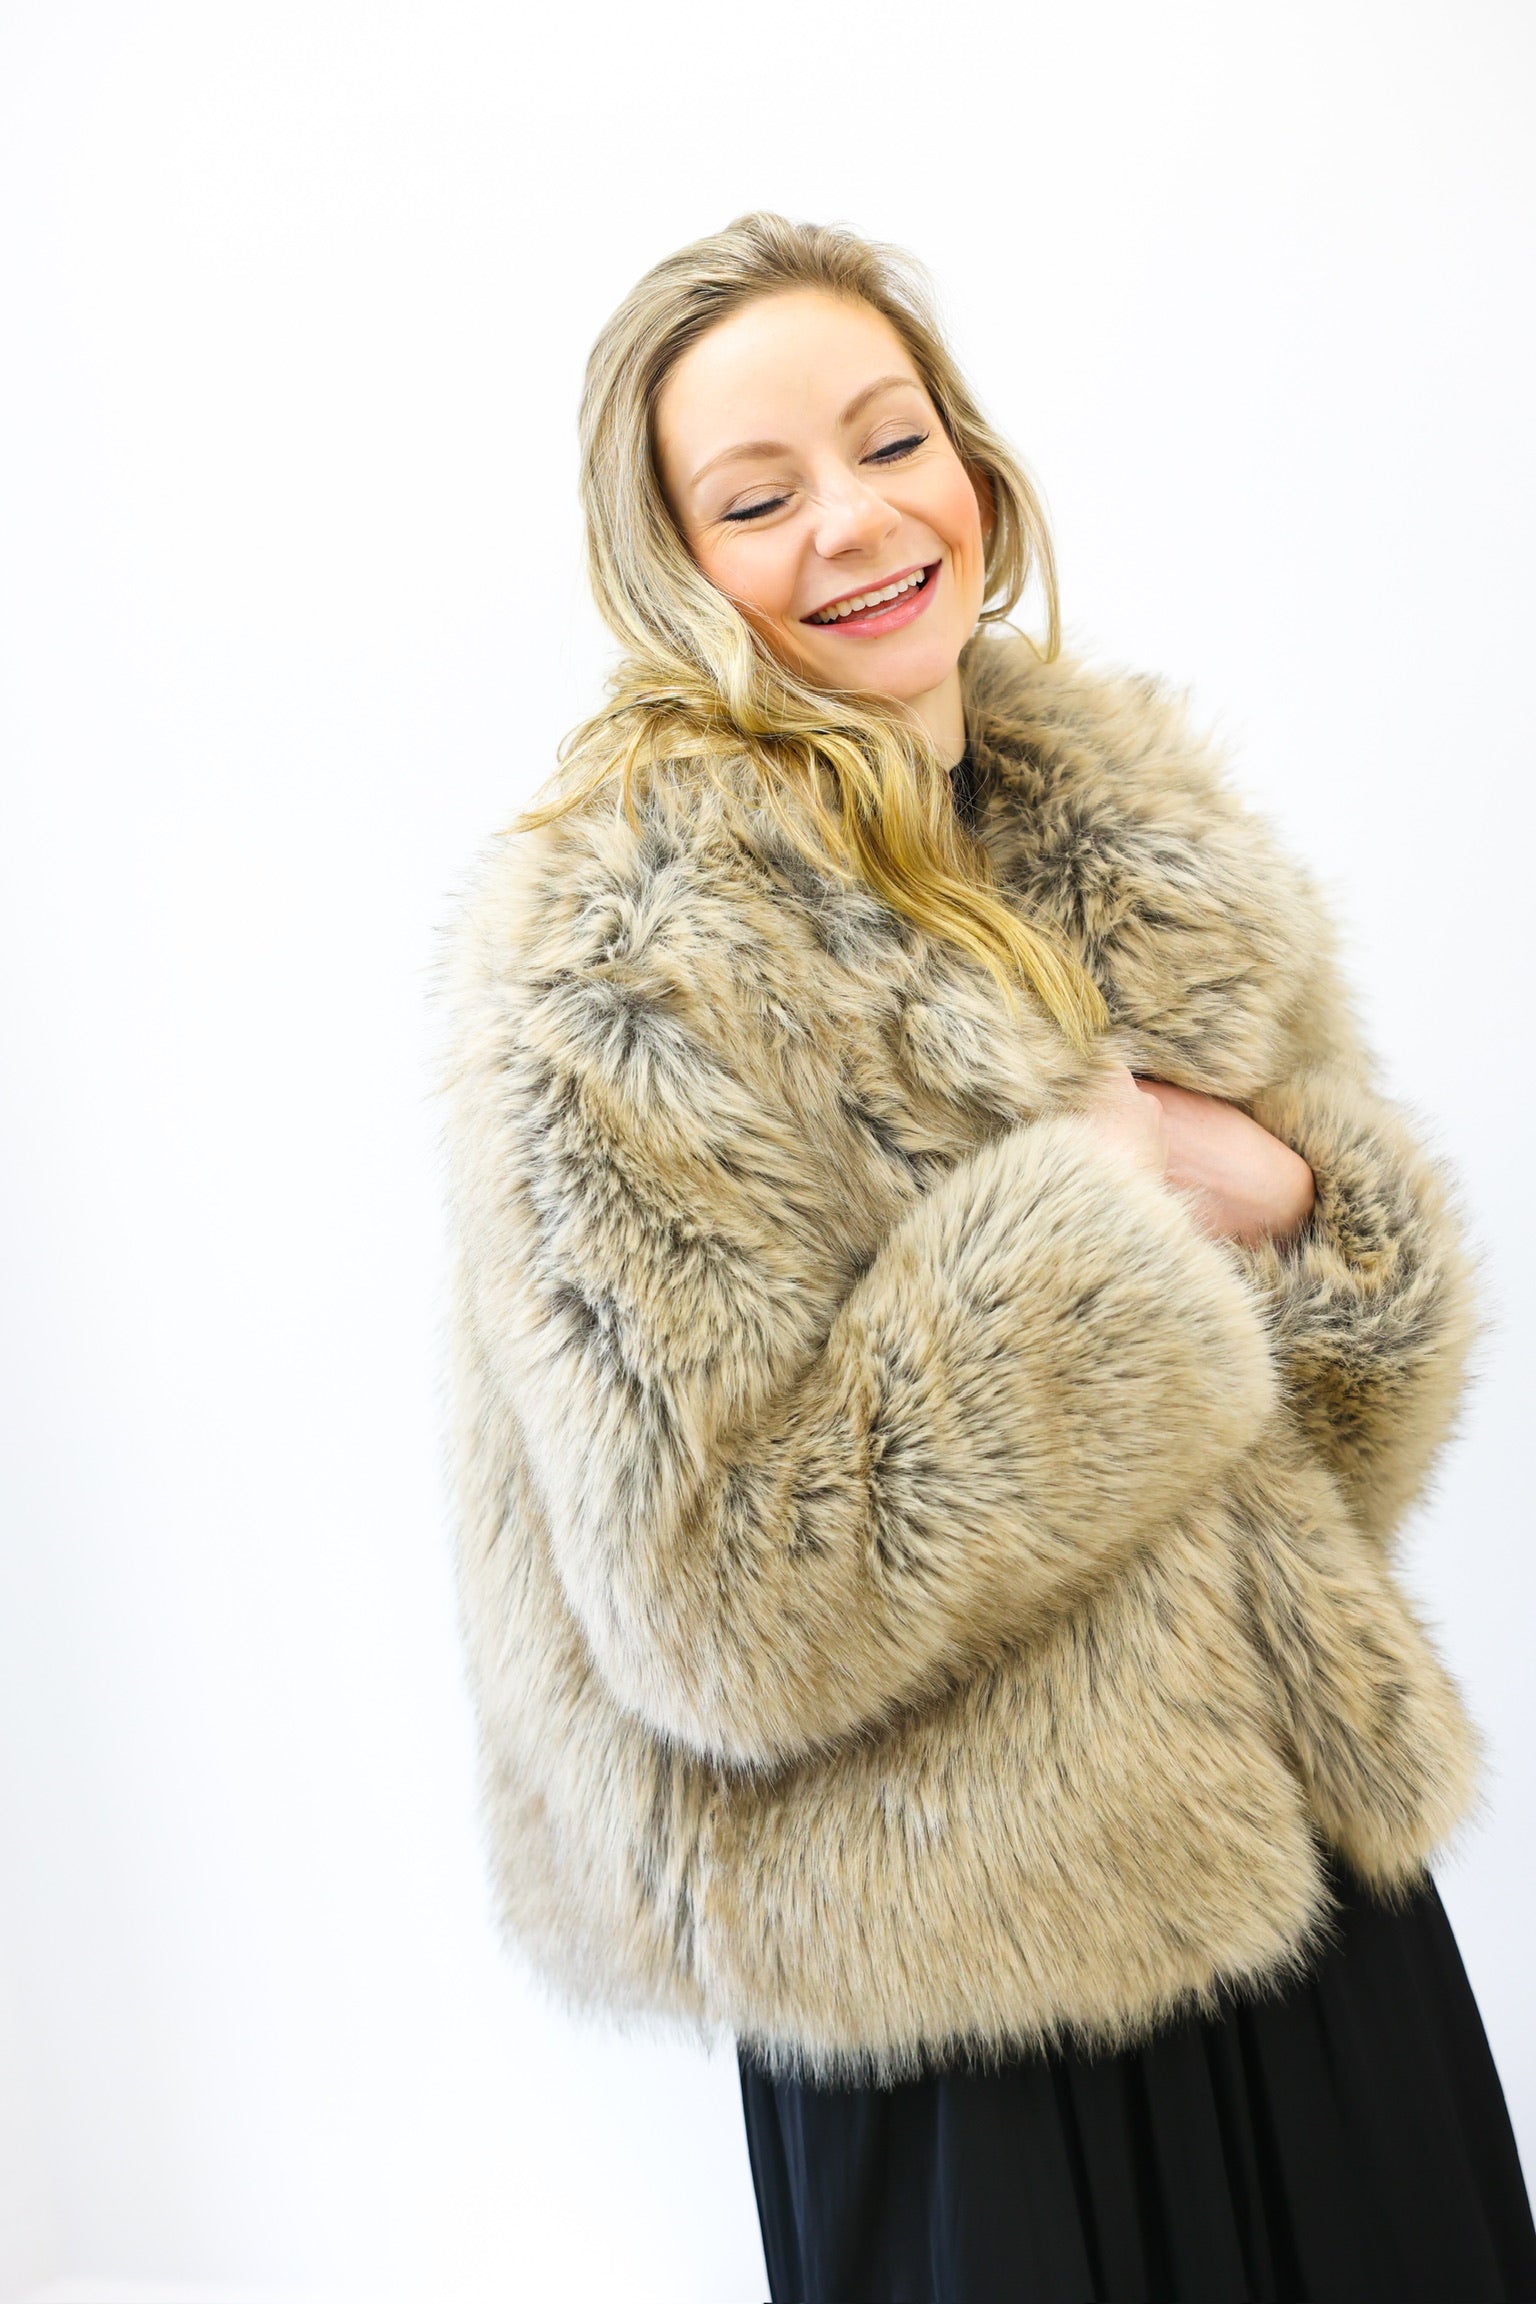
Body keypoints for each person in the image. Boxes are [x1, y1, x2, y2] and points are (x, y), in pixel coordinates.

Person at [435, 211, 1536, 2302]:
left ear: (976, 461)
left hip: (1294, 1885)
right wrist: (1092, 1225)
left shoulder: (1119, 834)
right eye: (758, 498)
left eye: (891, 439)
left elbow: (1333, 1457)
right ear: (671, 565)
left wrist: (1282, 1194)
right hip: (951, 1978)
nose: (853, 524)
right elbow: (713, 1600)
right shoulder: (631, 947)